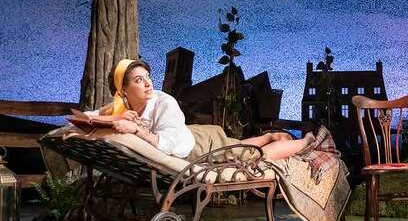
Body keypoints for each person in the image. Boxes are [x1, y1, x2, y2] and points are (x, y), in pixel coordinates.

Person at [86, 59, 317, 161]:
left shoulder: (164, 101)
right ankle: (268, 136)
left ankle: (305, 141)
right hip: (194, 133)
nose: (148, 83)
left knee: (256, 157)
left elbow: (174, 144)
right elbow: (93, 117)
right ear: (123, 90)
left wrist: (138, 131)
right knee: (236, 145)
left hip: (198, 144)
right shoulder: (120, 106)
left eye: (147, 77)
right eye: (138, 80)